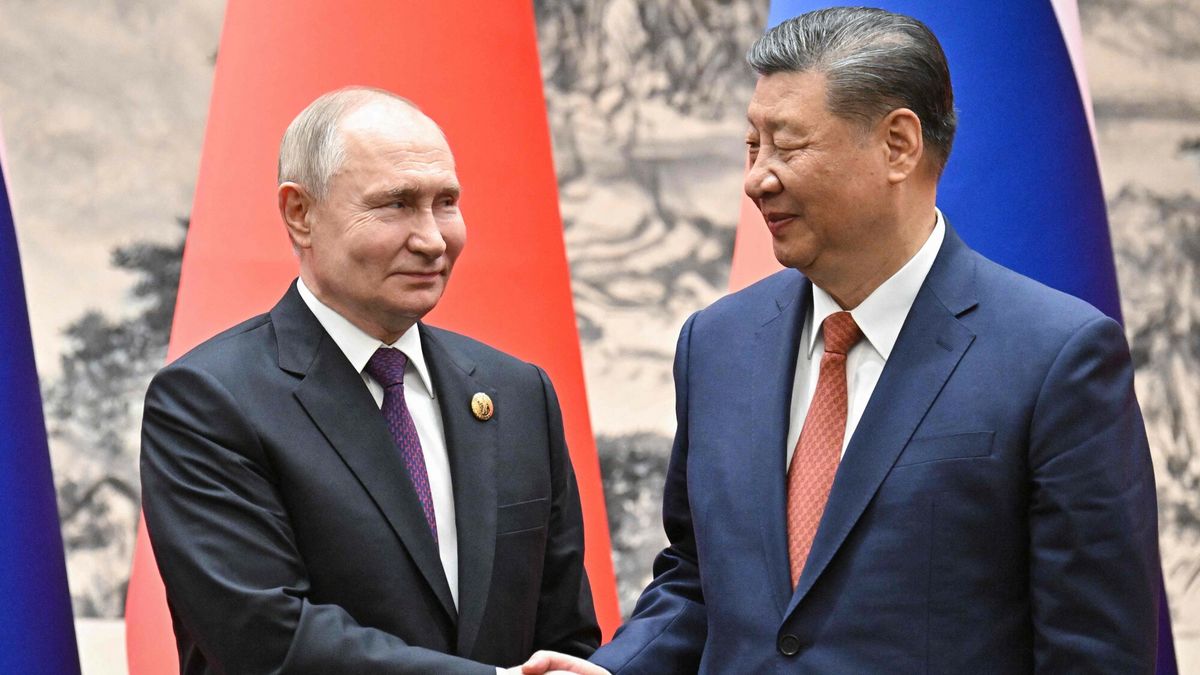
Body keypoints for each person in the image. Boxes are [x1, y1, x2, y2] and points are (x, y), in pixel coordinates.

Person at [522, 7, 1160, 674]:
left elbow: (1094, 649)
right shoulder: (717, 343)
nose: (756, 178)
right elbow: (698, 579)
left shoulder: (1056, 358)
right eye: (752, 146)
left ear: (898, 145)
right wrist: (614, 670)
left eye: (788, 146)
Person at [140, 87, 600, 674]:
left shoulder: (518, 393)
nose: (432, 239)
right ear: (300, 214)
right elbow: (266, 640)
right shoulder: (208, 401)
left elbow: (565, 635)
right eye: (396, 205)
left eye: (446, 202)